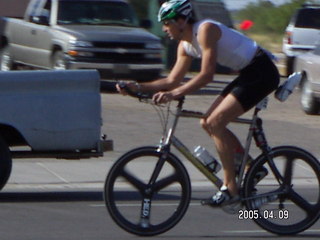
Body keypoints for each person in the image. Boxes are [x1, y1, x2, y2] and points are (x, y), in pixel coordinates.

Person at [117, 0, 280, 206]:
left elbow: (206, 75)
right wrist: (138, 87)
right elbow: (171, 80)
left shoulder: (206, 30)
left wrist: (174, 94)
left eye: (167, 23)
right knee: (206, 122)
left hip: (262, 72)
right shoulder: (184, 46)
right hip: (248, 73)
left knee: (216, 123)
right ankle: (250, 167)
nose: (164, 28)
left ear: (182, 20)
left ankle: (231, 189)